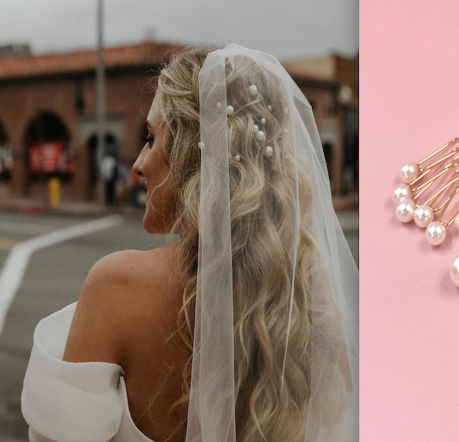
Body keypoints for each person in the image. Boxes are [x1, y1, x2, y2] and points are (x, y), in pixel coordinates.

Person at [21, 45, 359, 442]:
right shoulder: (311, 303)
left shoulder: (117, 287)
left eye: (151, 138)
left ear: (192, 155)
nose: (138, 163)